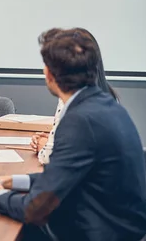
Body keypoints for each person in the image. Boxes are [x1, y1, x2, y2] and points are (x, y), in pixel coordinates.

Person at [0, 28, 146, 241]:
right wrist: (12, 180)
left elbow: (35, 209)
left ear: (50, 74)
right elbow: (62, 176)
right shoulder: (105, 105)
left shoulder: (79, 121)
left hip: (105, 233)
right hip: (128, 228)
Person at [31, 28, 119, 165]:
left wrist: (45, 145)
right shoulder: (108, 100)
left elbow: (51, 157)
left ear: (49, 73)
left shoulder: (76, 110)